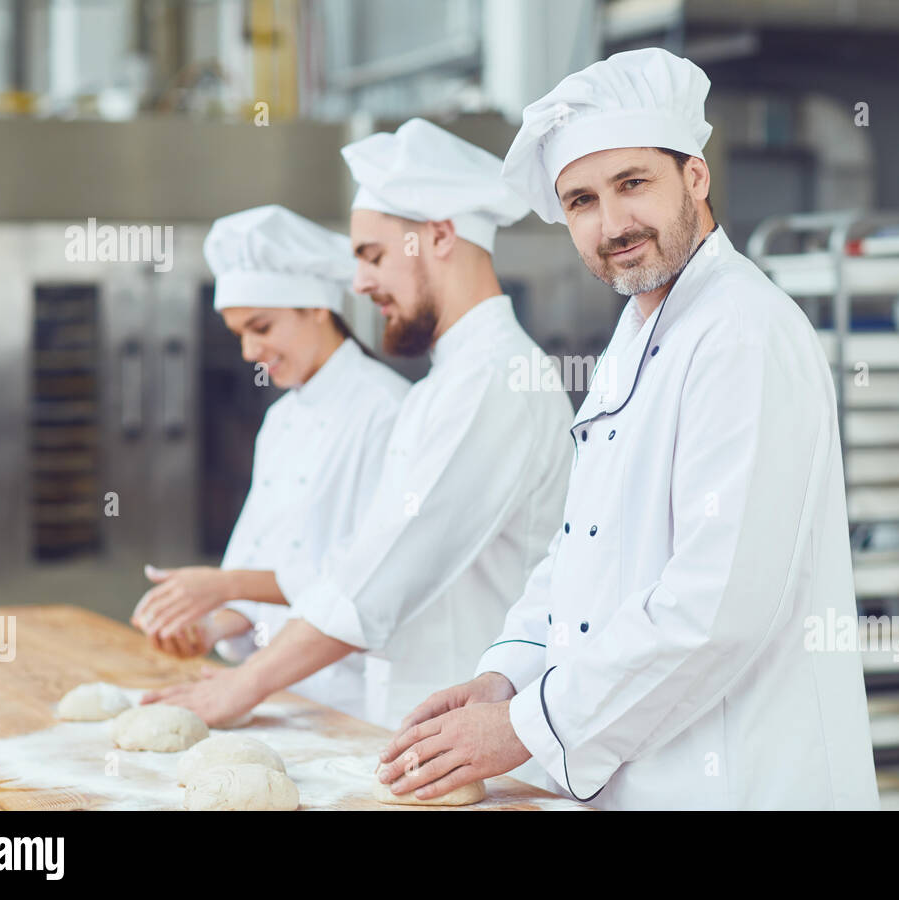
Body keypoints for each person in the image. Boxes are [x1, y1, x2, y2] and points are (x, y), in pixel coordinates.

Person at [377, 48, 880, 809]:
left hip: (740, 778)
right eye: (580, 201)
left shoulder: (740, 331)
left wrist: (526, 726)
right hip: (642, 776)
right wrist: (506, 674)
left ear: (696, 178)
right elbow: (586, 546)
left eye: (632, 184)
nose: (612, 224)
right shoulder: (638, 331)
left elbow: (716, 605)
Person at [140, 119, 574, 733]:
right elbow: (352, 566)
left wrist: (245, 684)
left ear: (440, 236)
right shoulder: (447, 383)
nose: (361, 282)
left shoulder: (492, 381)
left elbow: (377, 580)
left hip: (474, 736)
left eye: (372, 256)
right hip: (422, 722)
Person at [131, 204, 410, 717]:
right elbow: (265, 559)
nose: (249, 350)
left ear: (318, 308)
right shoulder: (281, 420)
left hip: (359, 704)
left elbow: (362, 578)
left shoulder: (389, 411)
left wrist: (221, 585)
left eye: (261, 326)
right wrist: (210, 626)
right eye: (239, 333)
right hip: (278, 694)